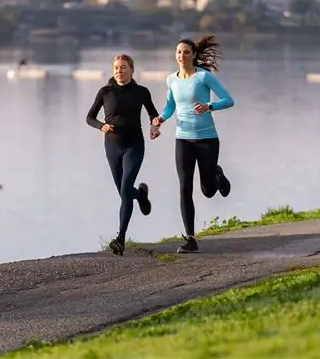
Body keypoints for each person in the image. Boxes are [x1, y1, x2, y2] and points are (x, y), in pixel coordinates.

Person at [152, 35, 235, 254]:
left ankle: (216, 174)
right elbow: (171, 106)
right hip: (183, 140)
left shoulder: (203, 77)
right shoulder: (172, 80)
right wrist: (161, 118)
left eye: (186, 52)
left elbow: (229, 100)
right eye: (178, 52)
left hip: (207, 139)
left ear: (194, 55)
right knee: (184, 188)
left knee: (207, 191)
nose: (181, 56)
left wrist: (209, 106)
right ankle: (190, 238)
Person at [86, 54, 161, 256]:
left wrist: (155, 127)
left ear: (131, 70)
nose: (120, 70)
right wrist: (101, 126)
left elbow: (153, 114)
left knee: (126, 187)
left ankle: (120, 239)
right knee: (124, 192)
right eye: (117, 67)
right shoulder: (105, 92)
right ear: (113, 70)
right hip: (112, 147)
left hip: (134, 145)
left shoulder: (142, 92)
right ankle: (141, 195)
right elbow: (89, 118)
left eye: (124, 67)